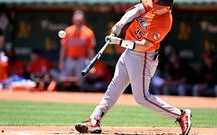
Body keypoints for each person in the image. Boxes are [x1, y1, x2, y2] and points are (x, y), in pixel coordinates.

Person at [75, 0, 192, 135]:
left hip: (143, 57)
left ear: (167, 8)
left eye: (157, 7)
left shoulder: (165, 22)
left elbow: (144, 45)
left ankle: (180, 114)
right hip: (129, 53)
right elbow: (137, 9)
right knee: (114, 86)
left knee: (141, 97)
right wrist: (120, 24)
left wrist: (119, 42)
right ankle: (94, 121)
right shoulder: (155, 3)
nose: (153, 8)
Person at [59, 10, 96, 88]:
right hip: (69, 59)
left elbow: (90, 50)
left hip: (81, 60)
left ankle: (78, 98)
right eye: (77, 20)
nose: (78, 22)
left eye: (80, 20)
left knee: (80, 82)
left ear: (83, 21)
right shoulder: (68, 31)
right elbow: (63, 48)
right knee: (66, 81)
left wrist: (91, 65)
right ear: (73, 20)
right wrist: (61, 61)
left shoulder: (88, 32)